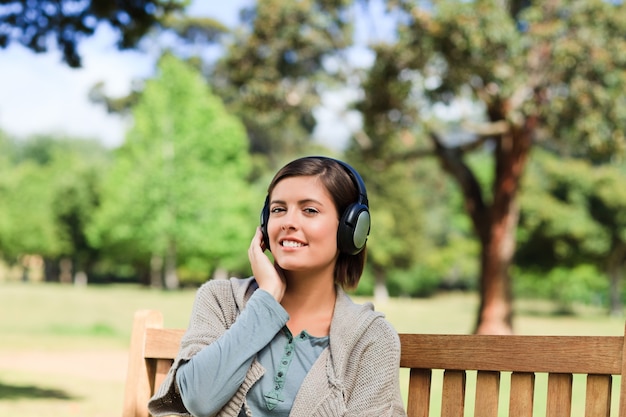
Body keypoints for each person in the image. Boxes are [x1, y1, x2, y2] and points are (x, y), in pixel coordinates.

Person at [148, 156, 406, 417]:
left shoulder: (370, 338)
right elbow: (198, 400)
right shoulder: (220, 300)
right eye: (278, 209)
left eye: (310, 210)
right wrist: (267, 299)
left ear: (351, 229)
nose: (287, 222)